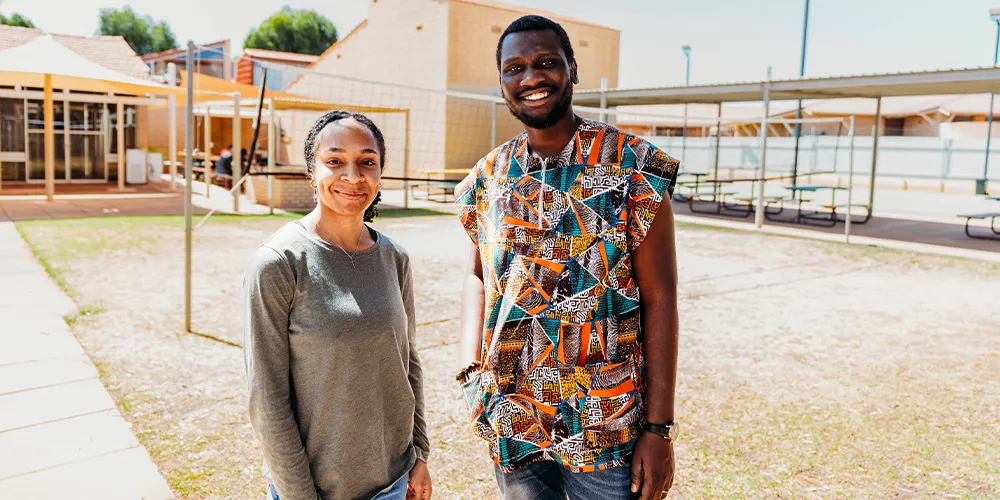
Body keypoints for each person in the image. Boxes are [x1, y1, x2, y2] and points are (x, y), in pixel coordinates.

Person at [455, 15, 680, 500]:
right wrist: (469, 366)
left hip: (605, 418)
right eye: (514, 68)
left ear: (572, 69)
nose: (531, 77)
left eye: (546, 62)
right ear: (501, 81)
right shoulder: (487, 178)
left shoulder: (634, 167)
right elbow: (477, 275)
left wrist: (659, 429)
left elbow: (661, 295)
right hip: (513, 412)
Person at [243, 110, 433, 500]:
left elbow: (407, 362)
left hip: (395, 482)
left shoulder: (395, 258)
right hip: (316, 491)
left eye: (367, 162)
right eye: (334, 161)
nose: (352, 176)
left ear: (380, 174)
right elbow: (267, 398)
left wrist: (419, 454)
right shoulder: (278, 263)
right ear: (312, 172)